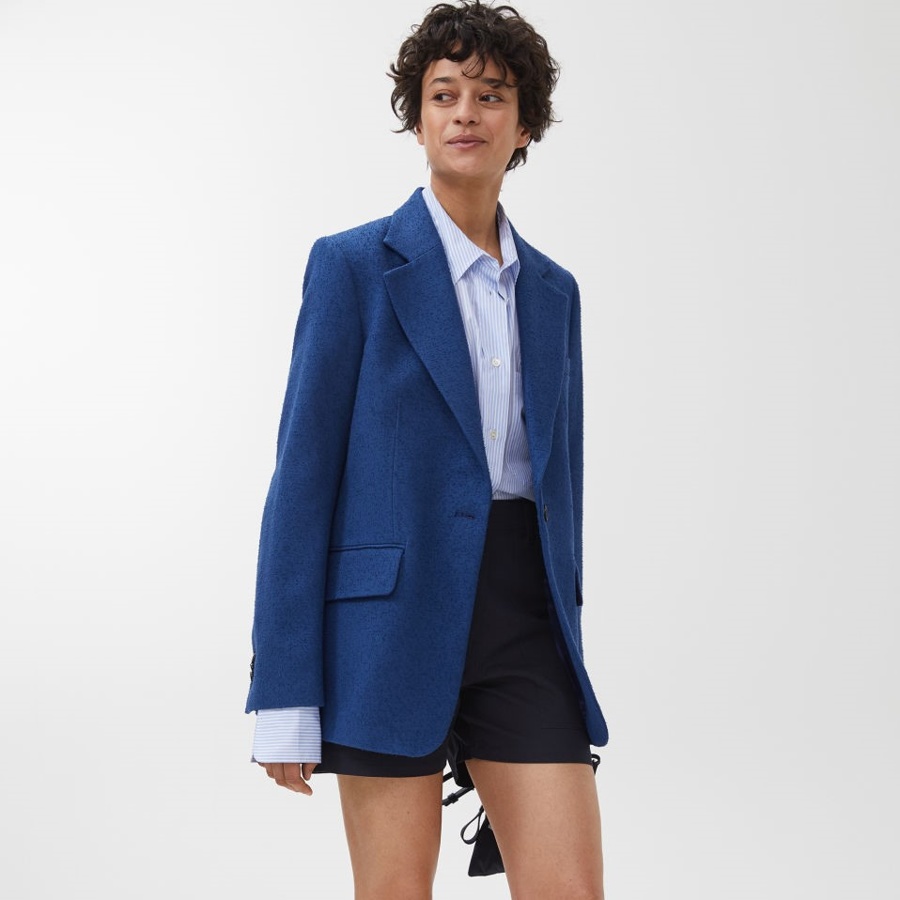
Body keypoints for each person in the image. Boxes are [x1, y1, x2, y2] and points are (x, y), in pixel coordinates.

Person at [245, 2, 608, 896]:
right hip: (385, 624)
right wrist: (284, 687)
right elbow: (302, 481)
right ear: (417, 119)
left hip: (521, 621)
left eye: (491, 96)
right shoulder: (353, 267)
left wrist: (566, 626)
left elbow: (562, 485)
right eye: (443, 95)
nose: (465, 114)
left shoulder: (554, 291)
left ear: (526, 126)